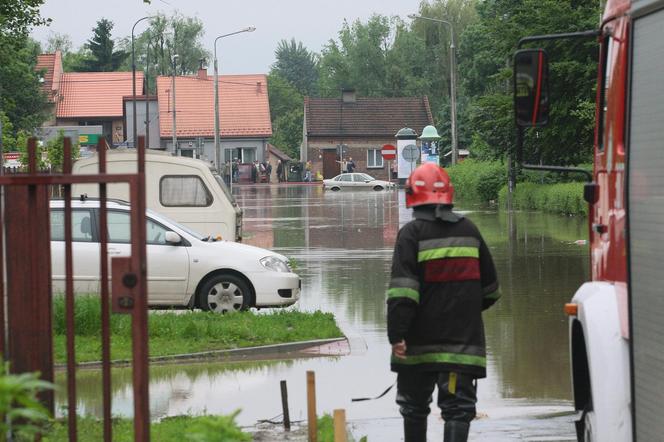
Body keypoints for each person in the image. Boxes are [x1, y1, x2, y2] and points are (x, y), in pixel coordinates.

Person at [386, 163, 499, 442]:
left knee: (413, 408)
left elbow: (403, 292)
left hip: (417, 345)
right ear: (449, 194)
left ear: (411, 196)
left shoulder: (411, 235)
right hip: (461, 347)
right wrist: (463, 311)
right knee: (458, 409)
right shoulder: (470, 231)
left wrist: (397, 334)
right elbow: (492, 290)